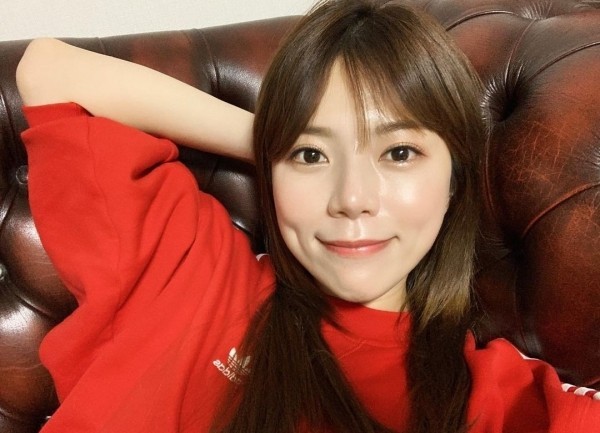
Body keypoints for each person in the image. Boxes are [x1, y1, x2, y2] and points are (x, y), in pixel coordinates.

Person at [16, 0, 599, 432]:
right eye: (312, 156)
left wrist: (302, 148)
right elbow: (49, 71)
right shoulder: (191, 271)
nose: (352, 197)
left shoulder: (497, 398)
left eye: (400, 153)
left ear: (453, 180)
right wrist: (276, 142)